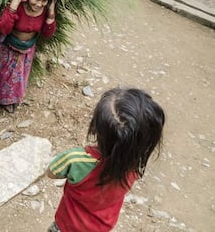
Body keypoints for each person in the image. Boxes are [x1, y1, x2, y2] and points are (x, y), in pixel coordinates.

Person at [46, 87, 165, 232]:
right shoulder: (134, 168)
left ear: (96, 127)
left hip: (66, 226)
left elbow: (51, 172)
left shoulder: (76, 159)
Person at [0, 0, 56, 119]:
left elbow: (48, 34)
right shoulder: (17, 6)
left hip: (27, 50)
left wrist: (50, 14)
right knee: (0, 75)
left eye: (44, 1)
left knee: (17, 77)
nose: (39, 4)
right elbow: (4, 29)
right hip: (7, 48)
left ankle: (8, 100)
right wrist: (13, 5)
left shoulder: (44, 11)